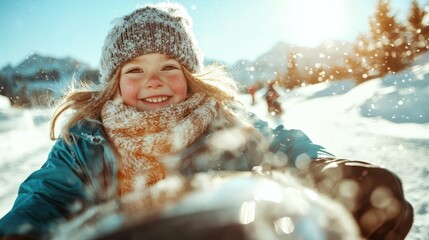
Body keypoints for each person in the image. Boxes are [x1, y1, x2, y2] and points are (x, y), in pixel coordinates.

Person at [0, 2, 413, 240]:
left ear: (191, 76)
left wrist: (328, 170)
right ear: (113, 84)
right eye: (134, 71)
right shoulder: (85, 142)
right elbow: (46, 199)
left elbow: (285, 147)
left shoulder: (225, 122)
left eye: (169, 66)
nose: (154, 81)